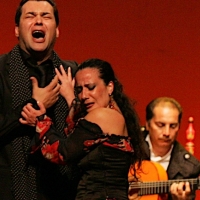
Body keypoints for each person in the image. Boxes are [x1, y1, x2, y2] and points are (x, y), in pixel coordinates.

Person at [20, 58, 145, 200]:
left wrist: (40, 120)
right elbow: (78, 134)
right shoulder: (113, 115)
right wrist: (70, 97)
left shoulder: (103, 115)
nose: (84, 96)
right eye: (79, 89)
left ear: (110, 87)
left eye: (91, 87)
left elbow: (60, 153)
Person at [0, 0, 78, 199]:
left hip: (61, 190)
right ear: (17, 30)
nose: (38, 22)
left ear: (57, 30)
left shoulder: (72, 73)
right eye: (30, 16)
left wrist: (72, 104)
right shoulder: (1, 70)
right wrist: (32, 107)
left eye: (46, 16)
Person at [129, 97, 200, 200]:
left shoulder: (189, 167)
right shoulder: (129, 147)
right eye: (160, 125)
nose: (167, 133)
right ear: (148, 124)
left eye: (173, 126)